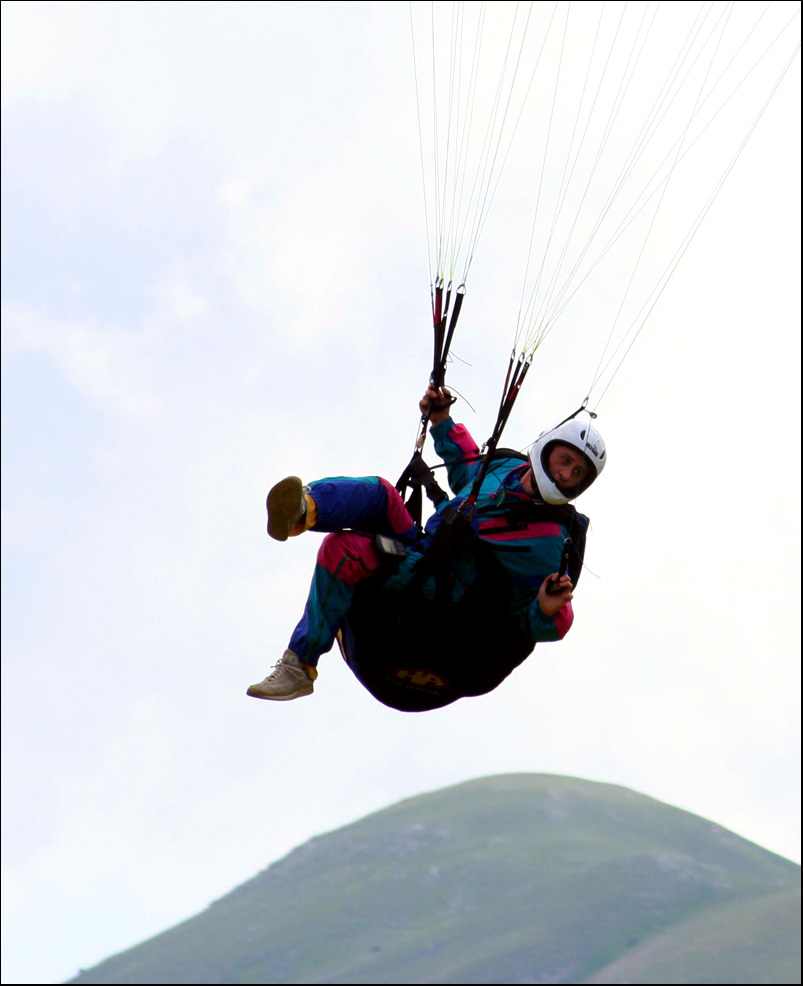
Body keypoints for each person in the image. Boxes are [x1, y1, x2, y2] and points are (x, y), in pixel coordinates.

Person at [247, 387, 606, 703]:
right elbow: (467, 472)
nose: (565, 475)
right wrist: (442, 421)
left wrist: (548, 608)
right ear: (546, 449)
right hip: (426, 548)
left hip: (448, 588)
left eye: (577, 474)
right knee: (382, 493)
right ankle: (301, 510)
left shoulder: (548, 540)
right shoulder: (506, 467)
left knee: (343, 550)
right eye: (566, 460)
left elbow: (530, 624)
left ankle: (299, 667)